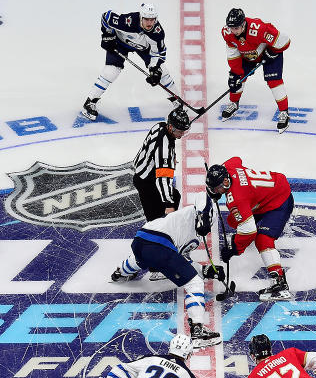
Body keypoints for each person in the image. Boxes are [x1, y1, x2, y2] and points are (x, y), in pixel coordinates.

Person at [110, 198, 224, 348]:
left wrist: (205, 270)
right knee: (194, 283)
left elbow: (179, 261)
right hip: (159, 247)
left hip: (140, 240)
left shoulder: (182, 216)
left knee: (144, 259)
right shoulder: (196, 221)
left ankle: (120, 272)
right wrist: (202, 271)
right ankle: (197, 332)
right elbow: (204, 204)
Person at [205, 157, 294, 301]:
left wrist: (235, 248)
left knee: (262, 240)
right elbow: (236, 159)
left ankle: (280, 284)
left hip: (279, 201)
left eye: (218, 188)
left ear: (225, 182)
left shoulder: (237, 199)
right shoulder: (228, 167)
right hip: (269, 192)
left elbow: (249, 231)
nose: (217, 191)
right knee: (233, 220)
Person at [82, 3, 181, 121]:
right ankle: (90, 102)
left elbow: (159, 53)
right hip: (120, 44)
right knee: (111, 71)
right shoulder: (127, 21)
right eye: (146, 19)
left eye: (152, 20)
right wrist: (108, 34)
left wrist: (154, 69)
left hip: (143, 48)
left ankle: (178, 102)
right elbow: (106, 17)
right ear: (141, 17)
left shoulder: (157, 33)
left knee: (162, 72)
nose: (149, 23)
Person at [219, 8, 291, 132]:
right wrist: (236, 73)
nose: (233, 31)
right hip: (248, 55)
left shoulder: (259, 29)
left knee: (273, 81)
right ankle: (234, 104)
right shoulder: (227, 32)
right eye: (231, 28)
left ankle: (284, 112)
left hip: (270, 52)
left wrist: (273, 52)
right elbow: (232, 53)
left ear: (243, 24)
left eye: (236, 28)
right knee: (236, 78)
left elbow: (285, 41)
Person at [133, 108, 190, 222]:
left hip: (142, 170)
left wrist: (171, 156)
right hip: (146, 182)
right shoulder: (164, 150)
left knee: (176, 196)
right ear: (170, 127)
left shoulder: (160, 126)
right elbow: (163, 180)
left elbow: (154, 147)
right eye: (179, 131)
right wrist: (169, 204)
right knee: (155, 220)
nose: (182, 134)